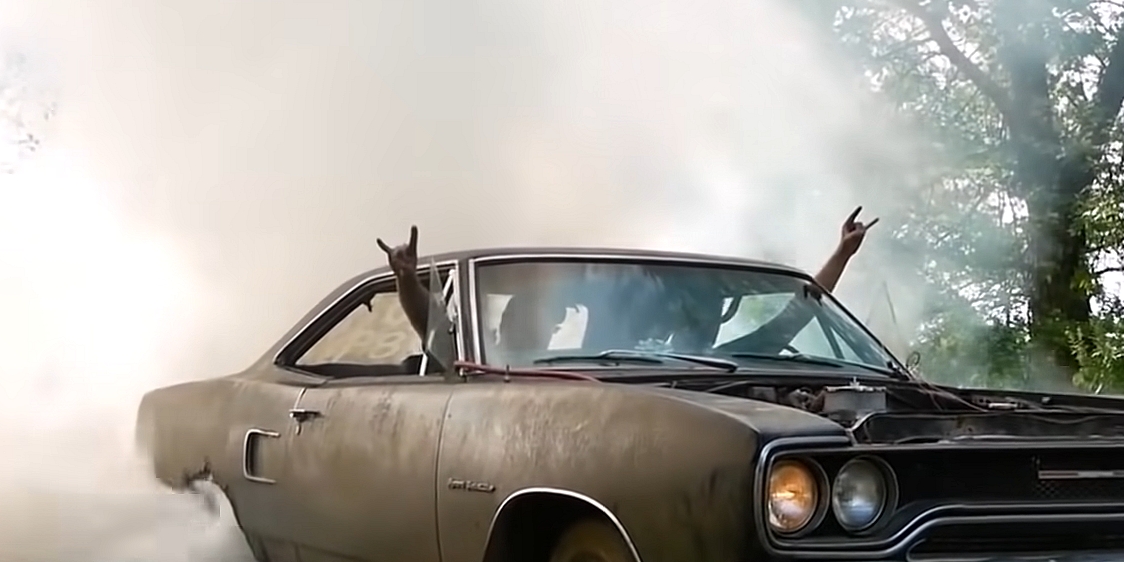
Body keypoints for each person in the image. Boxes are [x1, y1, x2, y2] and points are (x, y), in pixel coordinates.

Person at [375, 208, 879, 361]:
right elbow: (436, 335)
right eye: (542, 317)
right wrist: (406, 281)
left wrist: (839, 255)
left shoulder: (709, 367)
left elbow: (793, 318)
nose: (690, 321)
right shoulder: (497, 366)